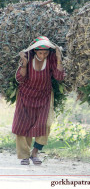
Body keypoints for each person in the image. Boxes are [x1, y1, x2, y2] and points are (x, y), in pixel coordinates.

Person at [12, 36, 64, 165]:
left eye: (45, 53)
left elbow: (59, 77)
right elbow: (19, 78)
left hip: (44, 96)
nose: (43, 55)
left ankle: (35, 152)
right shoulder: (28, 57)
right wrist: (23, 63)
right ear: (35, 51)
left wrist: (58, 58)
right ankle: (24, 155)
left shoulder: (51, 58)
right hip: (25, 96)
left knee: (44, 125)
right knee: (22, 125)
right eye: (40, 53)